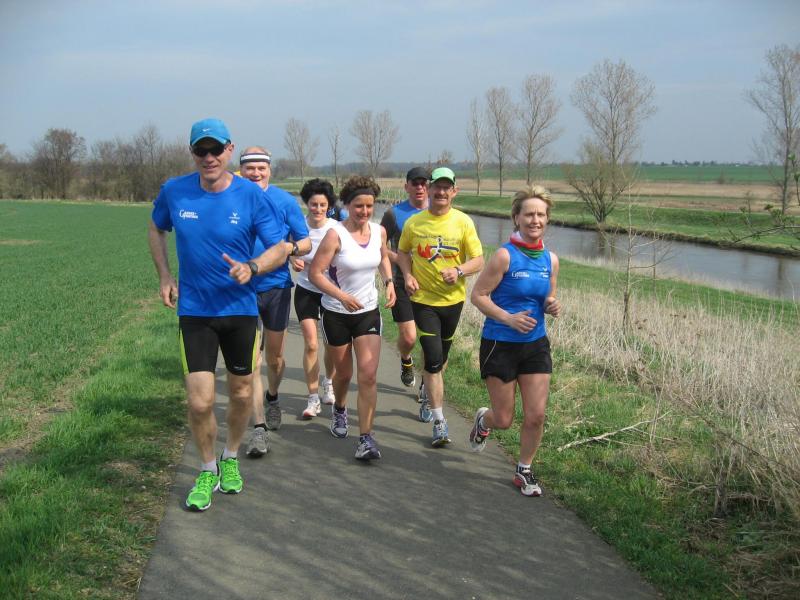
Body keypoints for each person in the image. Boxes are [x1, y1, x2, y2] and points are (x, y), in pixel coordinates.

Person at [148, 118, 292, 511]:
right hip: (195, 312)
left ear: (229, 149)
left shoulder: (251, 195)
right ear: (192, 152)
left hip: (240, 311)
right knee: (199, 402)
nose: (209, 157)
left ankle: (230, 458)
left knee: (242, 392)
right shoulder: (175, 191)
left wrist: (253, 267)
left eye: (216, 149)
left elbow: (280, 248)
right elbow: (156, 229)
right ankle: (207, 468)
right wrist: (165, 275)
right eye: (201, 150)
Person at [469, 185, 561, 497]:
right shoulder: (504, 256)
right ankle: (484, 421)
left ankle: (524, 470)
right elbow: (478, 296)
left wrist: (551, 305)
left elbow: (547, 297)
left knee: (536, 415)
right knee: (504, 419)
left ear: (547, 219)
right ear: (516, 218)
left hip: (535, 344)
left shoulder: (551, 260)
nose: (535, 220)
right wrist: (508, 318)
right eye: (529, 214)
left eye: (541, 214)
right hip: (500, 343)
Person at [309, 175, 395, 461]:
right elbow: (315, 273)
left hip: (367, 311)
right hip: (336, 312)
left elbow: (383, 257)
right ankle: (340, 409)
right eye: (359, 206)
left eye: (370, 206)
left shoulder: (379, 231)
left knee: (368, 375)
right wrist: (342, 296)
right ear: (347, 205)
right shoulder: (335, 235)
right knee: (344, 375)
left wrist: (389, 282)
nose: (365, 211)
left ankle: (366, 438)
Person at [397, 167, 484, 447]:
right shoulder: (414, 223)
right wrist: (407, 276)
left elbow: (478, 260)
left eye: (447, 188)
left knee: (441, 358)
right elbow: (402, 252)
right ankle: (439, 422)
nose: (442, 192)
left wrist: (458, 271)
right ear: (430, 189)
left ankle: (427, 391)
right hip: (423, 302)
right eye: (437, 187)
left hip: (453, 302)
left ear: (454, 192)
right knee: (433, 358)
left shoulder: (463, 222)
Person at [238, 147, 310, 457]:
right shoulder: (231, 198)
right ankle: (258, 428)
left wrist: (290, 250)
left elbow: (305, 241)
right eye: (250, 168)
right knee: (252, 360)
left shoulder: (284, 201)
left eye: (261, 168)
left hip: (276, 288)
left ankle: (273, 396)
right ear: (241, 170)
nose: (255, 173)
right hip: (242, 290)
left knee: (275, 359)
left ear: (269, 170)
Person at [380, 167, 431, 419]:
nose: (420, 187)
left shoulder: (439, 213)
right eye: (415, 183)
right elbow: (379, 245)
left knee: (431, 342)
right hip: (402, 283)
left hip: (432, 287)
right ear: (407, 186)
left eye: (424, 183)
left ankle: (426, 386)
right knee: (410, 337)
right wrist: (401, 260)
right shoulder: (394, 214)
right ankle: (406, 358)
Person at [289, 178, 338, 418]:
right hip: (306, 291)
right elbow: (288, 248)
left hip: (330, 292)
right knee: (311, 343)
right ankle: (312, 398)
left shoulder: (337, 229)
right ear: (306, 203)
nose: (317, 209)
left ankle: (329, 383)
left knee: (331, 345)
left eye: (322, 205)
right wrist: (293, 259)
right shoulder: (298, 227)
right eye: (313, 204)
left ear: (329, 206)